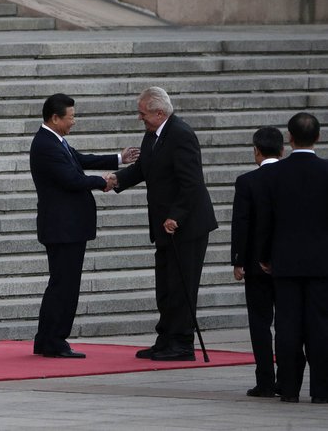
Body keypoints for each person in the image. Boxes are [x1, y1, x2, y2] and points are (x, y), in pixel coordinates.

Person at [29, 93, 139, 358]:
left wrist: (118, 159)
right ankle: (55, 340)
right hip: (63, 228)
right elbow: (70, 179)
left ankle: (46, 338)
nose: (74, 121)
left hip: (65, 228)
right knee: (65, 286)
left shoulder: (55, 141)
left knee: (60, 284)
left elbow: (80, 159)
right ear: (55, 118)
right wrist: (104, 182)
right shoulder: (46, 145)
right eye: (71, 117)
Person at [114, 87, 218, 361]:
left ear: (160, 113)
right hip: (164, 226)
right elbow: (142, 168)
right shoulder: (153, 135)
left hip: (187, 226)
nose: (140, 118)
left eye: (143, 113)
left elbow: (192, 182)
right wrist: (115, 180)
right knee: (166, 284)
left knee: (182, 286)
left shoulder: (181, 135)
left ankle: (183, 343)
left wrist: (177, 215)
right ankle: (166, 338)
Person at [255, 112, 328, 404]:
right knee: (320, 326)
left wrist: (263, 255)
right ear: (319, 137)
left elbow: (265, 220)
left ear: (290, 137)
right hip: (322, 262)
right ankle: (322, 390)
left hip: (284, 261)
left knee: (287, 326)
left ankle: (288, 388)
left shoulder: (274, 175)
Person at [230, 126, 284, 397]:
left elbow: (241, 223)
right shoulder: (293, 178)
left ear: (256, 151)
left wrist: (238, 261)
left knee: (260, 322)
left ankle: (265, 380)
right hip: (289, 263)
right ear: (283, 150)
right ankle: (288, 378)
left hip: (254, 263)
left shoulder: (247, 181)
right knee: (288, 322)